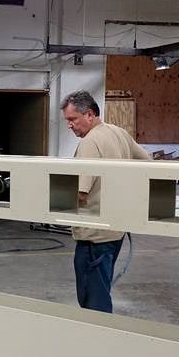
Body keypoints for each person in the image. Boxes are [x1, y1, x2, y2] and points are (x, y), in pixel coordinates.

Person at [60, 90, 151, 313]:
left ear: (90, 114)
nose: (69, 125)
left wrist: (50, 199)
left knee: (93, 299)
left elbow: (80, 193)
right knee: (101, 287)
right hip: (116, 230)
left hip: (94, 236)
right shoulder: (119, 133)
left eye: (73, 119)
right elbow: (149, 163)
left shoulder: (90, 142)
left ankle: (99, 332)